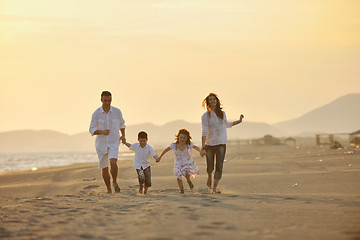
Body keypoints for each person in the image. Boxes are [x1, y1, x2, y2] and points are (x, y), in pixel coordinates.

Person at [201, 93, 244, 193]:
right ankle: (209, 176)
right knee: (210, 167)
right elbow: (204, 131)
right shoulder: (205, 116)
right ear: (208, 103)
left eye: (214, 99)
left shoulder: (222, 113)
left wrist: (239, 121)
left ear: (217, 101)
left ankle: (214, 189)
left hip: (221, 143)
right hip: (210, 144)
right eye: (210, 100)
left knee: (219, 166)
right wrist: (203, 147)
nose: (213, 101)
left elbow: (227, 124)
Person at [89, 91, 126, 193]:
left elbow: (122, 125)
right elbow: (91, 129)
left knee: (113, 162)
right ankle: (109, 189)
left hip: (114, 142)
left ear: (111, 100)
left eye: (109, 100)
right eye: (105, 100)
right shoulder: (96, 113)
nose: (107, 102)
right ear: (101, 100)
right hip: (101, 144)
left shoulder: (117, 112)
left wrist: (123, 136)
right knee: (104, 168)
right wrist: (102, 131)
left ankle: (114, 181)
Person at [158, 128, 205, 194]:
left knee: (186, 173)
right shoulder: (174, 145)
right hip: (178, 164)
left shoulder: (188, 145)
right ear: (178, 137)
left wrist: (201, 151)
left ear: (187, 138)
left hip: (187, 162)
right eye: (181, 137)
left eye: (184, 138)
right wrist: (160, 157)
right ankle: (182, 190)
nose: (182, 139)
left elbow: (196, 147)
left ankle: (188, 181)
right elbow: (166, 150)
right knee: (178, 176)